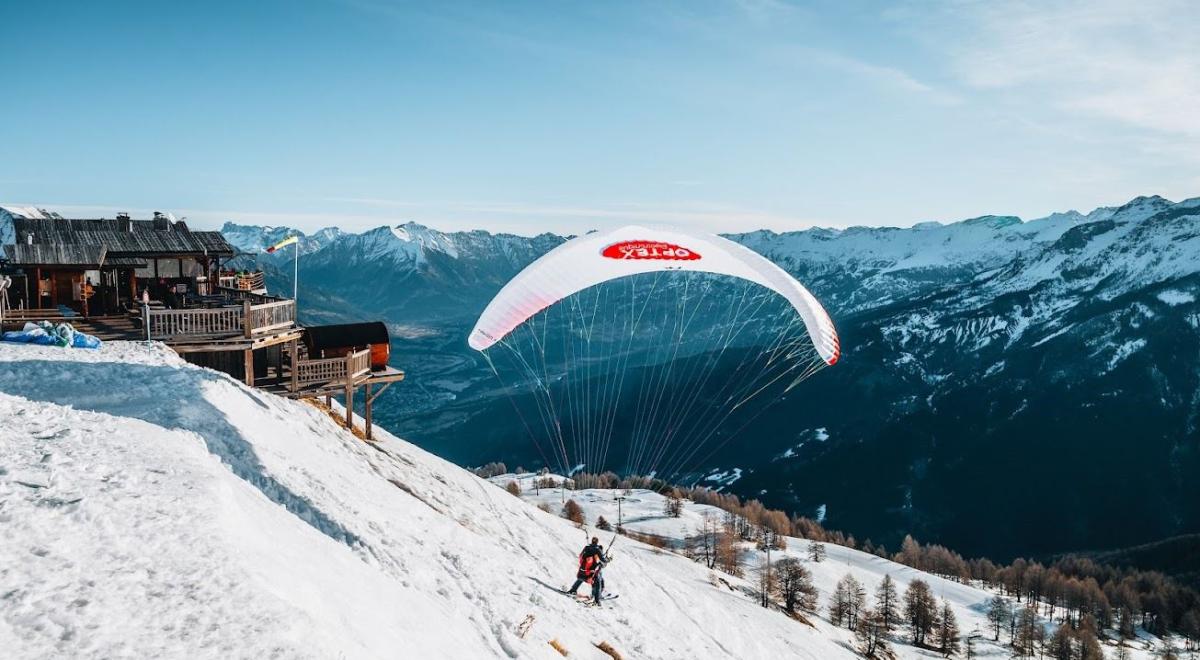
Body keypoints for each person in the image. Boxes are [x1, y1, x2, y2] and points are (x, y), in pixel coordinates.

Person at [566, 537, 606, 605]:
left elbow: (580, 556)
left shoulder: (586, 548)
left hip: (581, 573)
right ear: (597, 542)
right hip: (589, 577)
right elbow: (603, 562)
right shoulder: (597, 551)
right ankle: (596, 600)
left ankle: (573, 590)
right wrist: (606, 560)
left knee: (581, 578)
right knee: (598, 582)